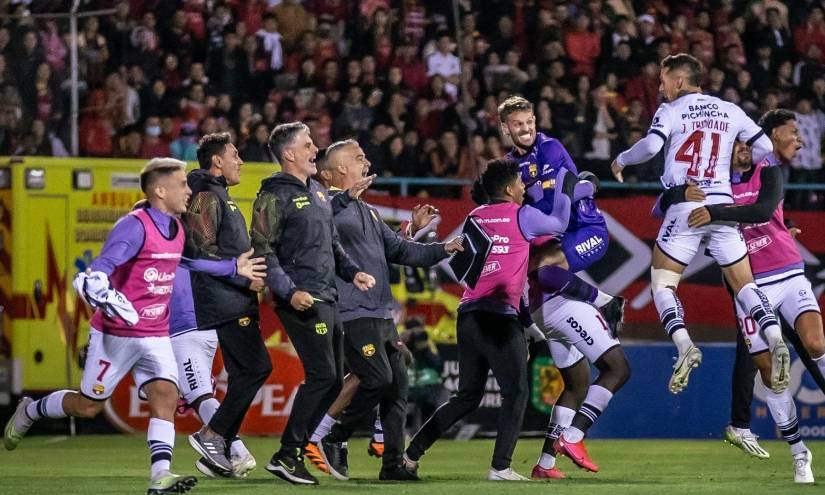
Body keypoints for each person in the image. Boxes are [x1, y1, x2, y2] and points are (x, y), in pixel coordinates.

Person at [3, 158, 263, 494]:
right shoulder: (134, 226)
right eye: (182, 184)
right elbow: (102, 265)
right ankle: (31, 409)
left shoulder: (177, 229)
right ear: (160, 191)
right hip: (117, 333)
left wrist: (232, 268)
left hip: (156, 333)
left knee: (166, 395)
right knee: (88, 405)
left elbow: (188, 262)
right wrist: (96, 282)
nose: (189, 191)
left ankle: (160, 476)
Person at [610, 53, 790, 394]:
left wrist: (621, 160)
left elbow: (651, 146)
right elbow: (765, 146)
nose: (660, 86)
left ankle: (684, 345)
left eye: (663, 79)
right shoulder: (730, 110)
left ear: (679, 80)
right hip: (722, 205)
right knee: (745, 285)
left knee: (663, 285)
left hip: (687, 204)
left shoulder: (670, 110)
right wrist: (734, 167)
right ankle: (776, 337)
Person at [660, 110, 821, 484]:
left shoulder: (769, 170)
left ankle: (745, 425)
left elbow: (764, 210)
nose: (745, 149)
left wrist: (713, 212)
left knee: (816, 343)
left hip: (787, 271)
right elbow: (669, 202)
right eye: (738, 145)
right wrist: (679, 195)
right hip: (748, 286)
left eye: (748, 143)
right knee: (770, 375)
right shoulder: (708, 183)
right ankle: (799, 453)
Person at [403, 158, 584, 481]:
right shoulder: (522, 214)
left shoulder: (475, 216)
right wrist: (564, 184)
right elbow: (559, 222)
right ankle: (500, 467)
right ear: (509, 189)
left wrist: (528, 327)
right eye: (520, 183)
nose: (524, 188)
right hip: (499, 317)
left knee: (467, 396)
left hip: (469, 315)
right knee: (516, 392)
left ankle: (411, 455)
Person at [306, 139, 462, 482]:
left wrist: (444, 247)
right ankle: (333, 436)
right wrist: (346, 197)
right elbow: (314, 224)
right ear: (339, 169)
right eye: (358, 157)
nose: (366, 162)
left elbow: (403, 252)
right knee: (377, 377)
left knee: (398, 386)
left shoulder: (370, 212)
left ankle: (392, 465)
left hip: (379, 312)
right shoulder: (324, 202)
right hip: (350, 310)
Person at [251, 122, 375, 485]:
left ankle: (292, 452)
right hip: (302, 299)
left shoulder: (319, 193)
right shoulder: (273, 195)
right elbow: (262, 249)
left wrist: (353, 272)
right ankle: (287, 454)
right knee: (323, 376)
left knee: (333, 381)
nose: (314, 150)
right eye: (307, 145)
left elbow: (333, 245)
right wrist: (289, 292)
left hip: (327, 296)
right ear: (289, 154)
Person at [499, 95, 626, 336]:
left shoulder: (549, 148)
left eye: (529, 122)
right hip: (556, 236)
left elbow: (551, 206)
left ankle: (607, 303)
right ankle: (549, 340)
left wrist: (523, 208)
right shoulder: (508, 164)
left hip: (587, 230)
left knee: (544, 269)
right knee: (527, 278)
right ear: (505, 128)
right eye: (517, 124)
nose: (525, 129)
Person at [184, 133, 272, 476]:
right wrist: (243, 278)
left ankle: (217, 448)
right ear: (217, 161)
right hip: (225, 301)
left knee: (245, 373)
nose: (241, 161)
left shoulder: (218, 194)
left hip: (235, 299)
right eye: (235, 155)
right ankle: (212, 435)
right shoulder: (206, 195)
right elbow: (198, 251)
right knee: (256, 367)